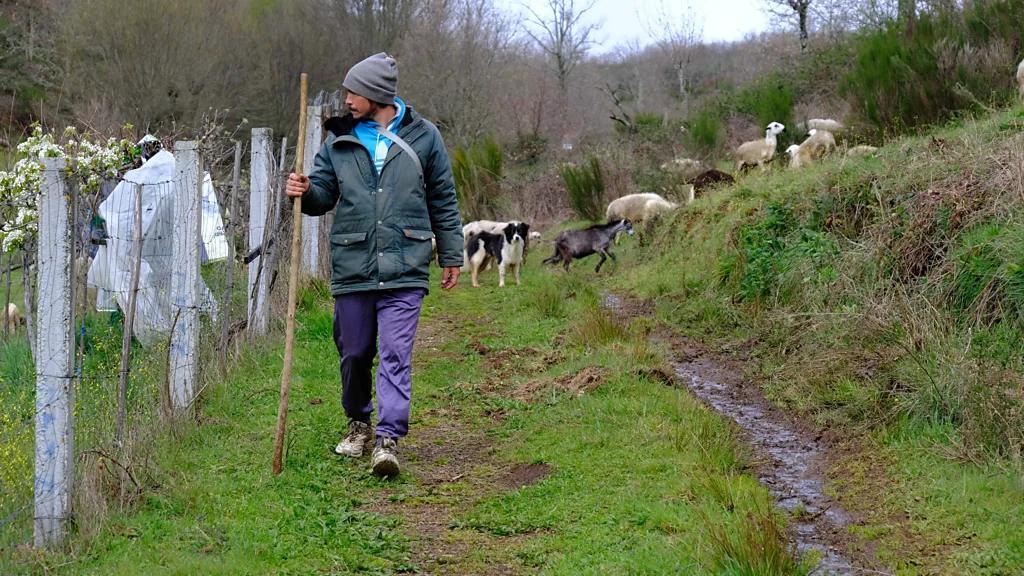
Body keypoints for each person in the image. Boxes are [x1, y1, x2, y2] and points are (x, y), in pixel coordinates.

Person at [285, 53, 463, 477]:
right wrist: (305, 190)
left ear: (377, 94)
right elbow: (323, 195)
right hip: (354, 263)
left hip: (407, 262)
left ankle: (388, 439)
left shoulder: (425, 137)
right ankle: (358, 422)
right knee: (355, 351)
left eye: (353, 91)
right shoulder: (339, 141)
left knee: (395, 353)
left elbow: (443, 198)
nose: (346, 99)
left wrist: (453, 254)